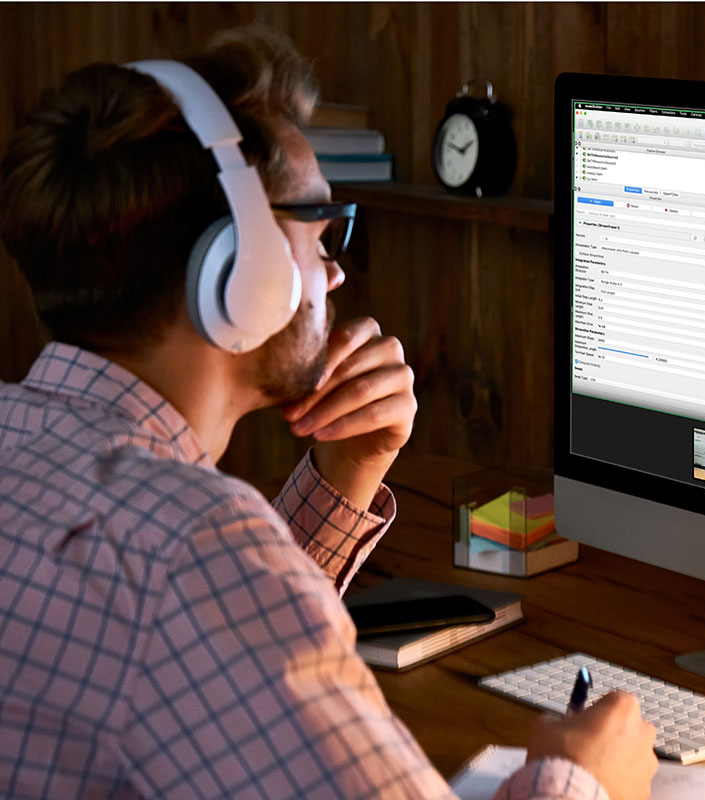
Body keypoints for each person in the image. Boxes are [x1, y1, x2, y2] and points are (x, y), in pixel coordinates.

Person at [0, 26, 656, 800]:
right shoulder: (188, 550)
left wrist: (346, 476)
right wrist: (585, 777)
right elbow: (193, 597)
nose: (336, 271)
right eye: (319, 231)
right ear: (244, 275)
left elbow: (212, 669)